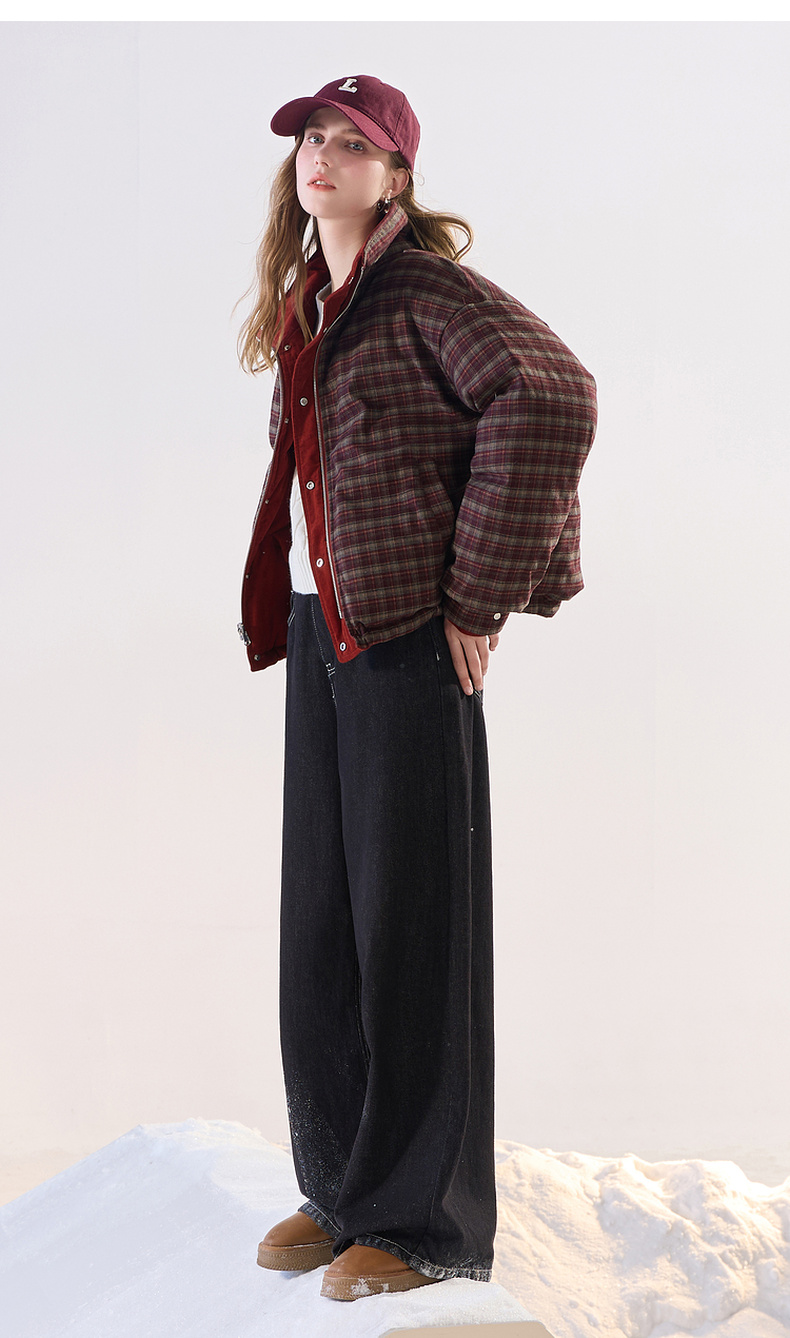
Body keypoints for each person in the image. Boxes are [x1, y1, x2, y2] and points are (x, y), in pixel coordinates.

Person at [237, 74, 597, 1303]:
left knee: (410, 932)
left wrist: (475, 599)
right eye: (312, 139)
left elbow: (549, 395)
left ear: (397, 174)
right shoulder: (316, 298)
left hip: (400, 639)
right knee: (323, 926)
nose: (323, 158)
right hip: (324, 630)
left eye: (354, 144)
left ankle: (424, 1223)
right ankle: (344, 1189)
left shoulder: (425, 292)